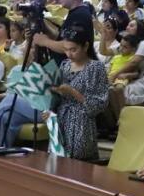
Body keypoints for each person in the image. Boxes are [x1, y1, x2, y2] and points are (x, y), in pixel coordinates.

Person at [47, 26, 109, 160]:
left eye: (73, 50)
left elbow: (100, 103)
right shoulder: (65, 65)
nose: (69, 54)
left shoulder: (96, 67)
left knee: (78, 163)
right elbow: (57, 96)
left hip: (81, 122)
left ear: (85, 46)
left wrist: (73, 92)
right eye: (66, 50)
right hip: (61, 119)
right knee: (56, 161)